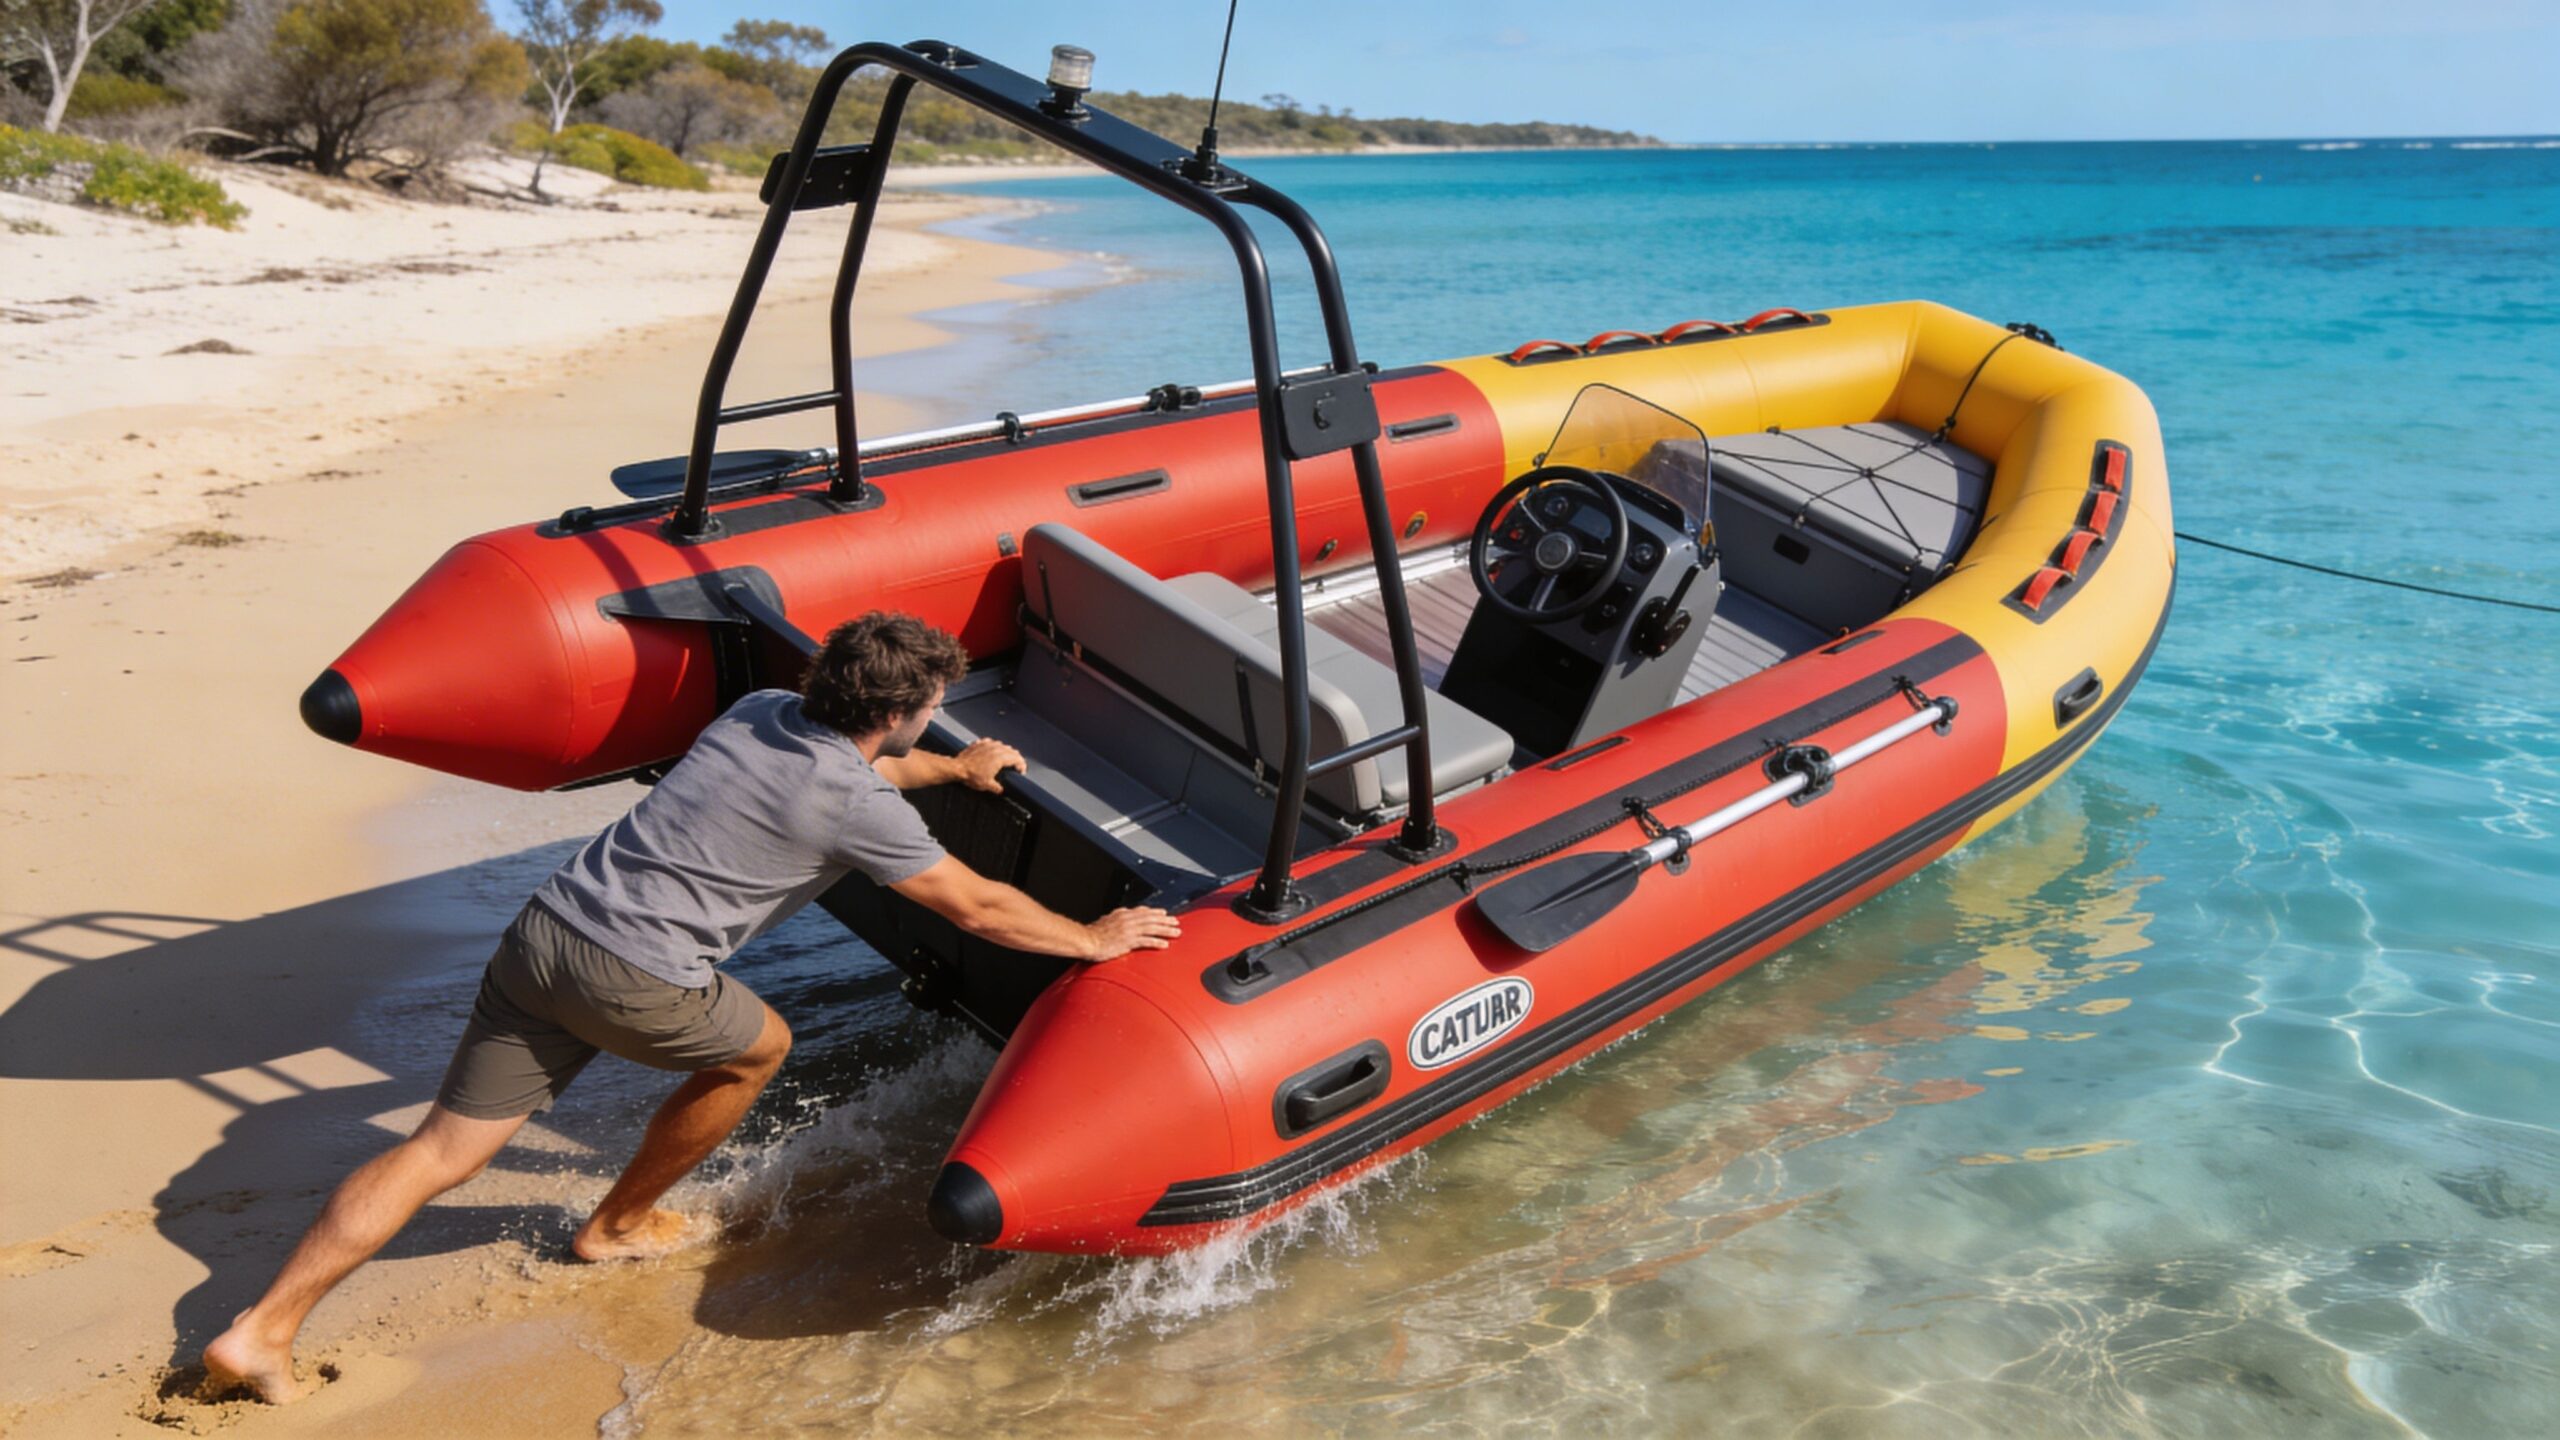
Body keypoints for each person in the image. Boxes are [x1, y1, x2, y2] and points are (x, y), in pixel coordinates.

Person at [200, 611, 1178, 1403]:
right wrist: (1094, 938)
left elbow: (871, 769)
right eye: (933, 708)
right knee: (758, 1047)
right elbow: (977, 906)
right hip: (635, 970)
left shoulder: (758, 711)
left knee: (440, 1153)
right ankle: (617, 1223)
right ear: (912, 708)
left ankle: (261, 1330)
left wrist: (954, 772)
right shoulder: (858, 805)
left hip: (543, 935)